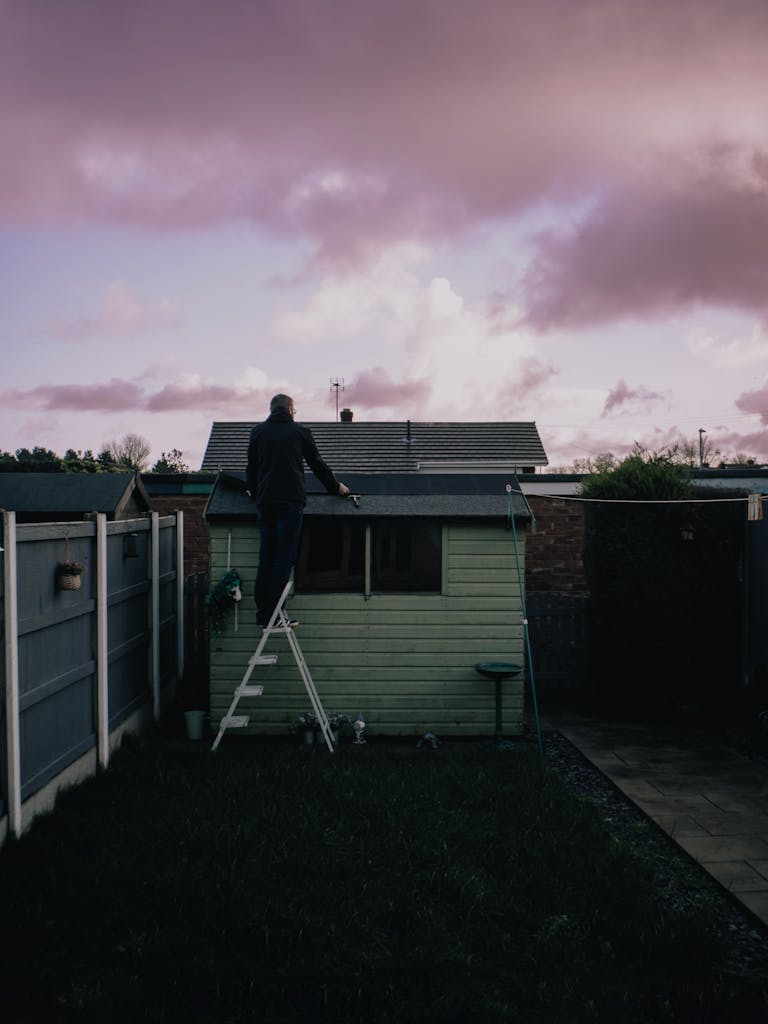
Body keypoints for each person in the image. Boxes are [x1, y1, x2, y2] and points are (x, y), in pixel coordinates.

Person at [246, 394, 349, 626]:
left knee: (267, 557)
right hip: (290, 501)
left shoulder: (258, 432)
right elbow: (317, 464)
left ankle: (264, 615)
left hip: (265, 501)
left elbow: (251, 468)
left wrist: (253, 491)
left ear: (271, 409)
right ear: (291, 409)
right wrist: (336, 486)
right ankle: (276, 615)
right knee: (284, 557)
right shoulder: (300, 432)